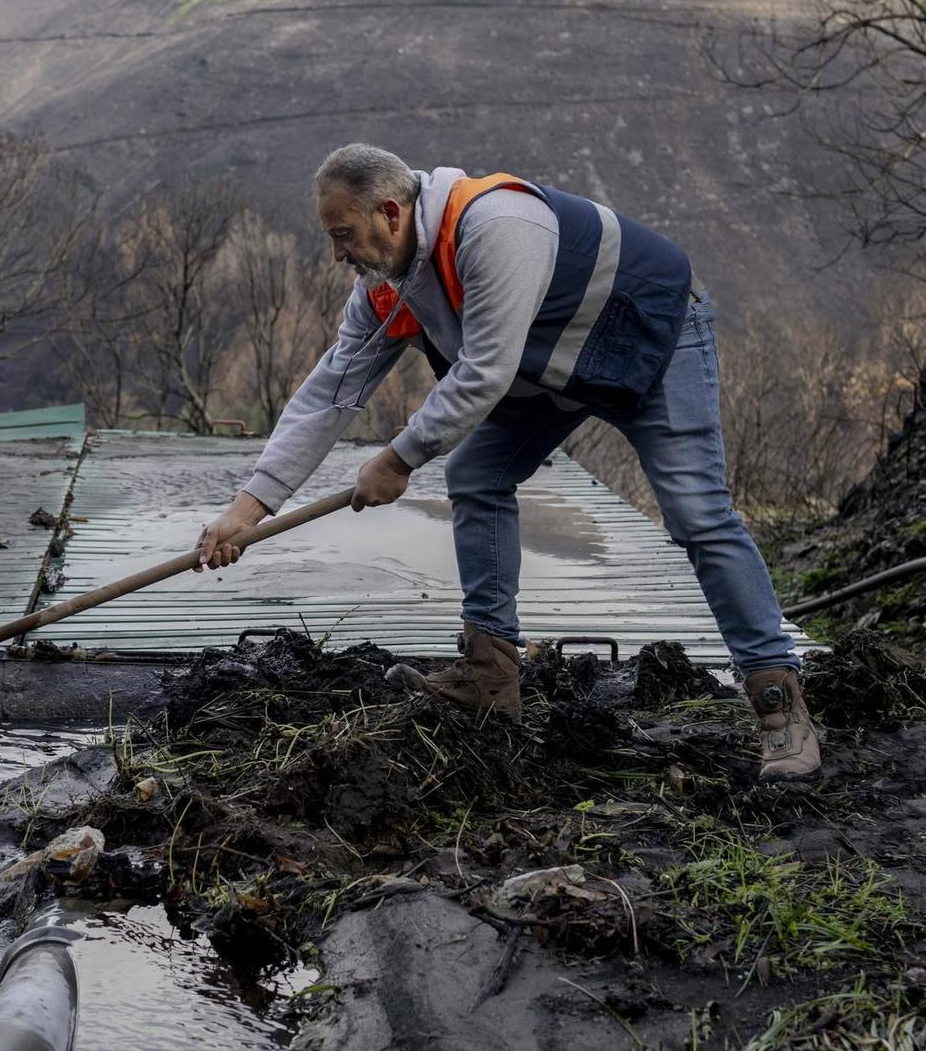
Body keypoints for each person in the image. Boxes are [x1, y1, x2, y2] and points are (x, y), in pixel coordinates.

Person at [193, 143, 820, 782]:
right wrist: (250, 507)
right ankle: (490, 680)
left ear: (389, 212)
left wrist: (399, 457)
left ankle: (778, 704)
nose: (337, 255)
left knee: (697, 515)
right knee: (477, 474)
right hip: (553, 367)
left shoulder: (495, 226)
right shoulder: (386, 287)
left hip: (652, 338)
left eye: (342, 235)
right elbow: (332, 390)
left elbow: (485, 370)